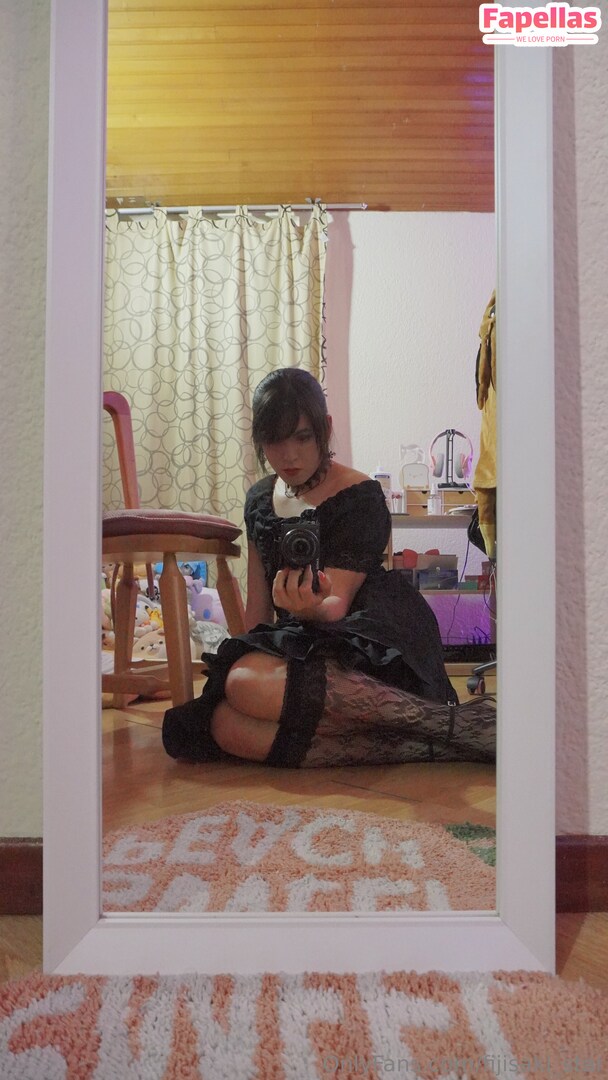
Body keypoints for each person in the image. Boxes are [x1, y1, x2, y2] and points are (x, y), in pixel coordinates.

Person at [162, 368, 495, 768]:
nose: (289, 455)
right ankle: (439, 742)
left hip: (369, 633)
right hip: (302, 636)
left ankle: (446, 723)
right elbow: (258, 607)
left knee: (244, 685)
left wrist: (306, 609)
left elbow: (336, 605)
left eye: (302, 437)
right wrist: (247, 649)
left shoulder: (359, 494)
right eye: (274, 440)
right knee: (223, 724)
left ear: (326, 428)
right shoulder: (259, 499)